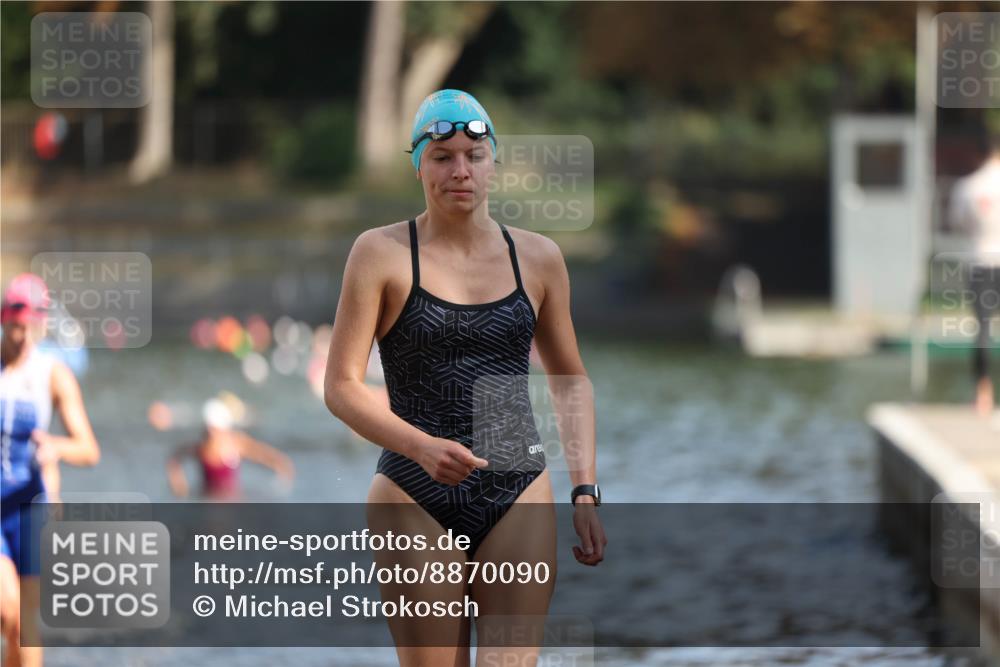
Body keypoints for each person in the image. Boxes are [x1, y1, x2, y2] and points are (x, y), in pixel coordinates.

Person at [324, 89, 606, 666]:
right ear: (418, 165)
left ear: (493, 163)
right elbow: (342, 386)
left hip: (517, 482)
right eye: (442, 156)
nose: (460, 170)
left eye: (473, 156)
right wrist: (421, 447)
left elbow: (569, 378)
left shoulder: (539, 257)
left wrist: (585, 490)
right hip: (412, 488)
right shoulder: (380, 253)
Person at [0, 273, 101, 667]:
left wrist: (56, 446)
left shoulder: (54, 374)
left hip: (31, 510)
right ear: (4, 321)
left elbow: (89, 449)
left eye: (30, 328)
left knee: (25, 626)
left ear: (42, 325)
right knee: (6, 609)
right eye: (14, 328)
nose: (22, 337)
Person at [949, 127, 1000, 418]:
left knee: (982, 330)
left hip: (981, 261)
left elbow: (958, 224)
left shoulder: (967, 187)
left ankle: (983, 393)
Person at [167, 397, 295, 500]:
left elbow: (262, 455)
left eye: (214, 428)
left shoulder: (236, 444)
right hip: (206, 499)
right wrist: (180, 487)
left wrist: (282, 466)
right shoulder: (201, 448)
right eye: (209, 428)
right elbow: (175, 458)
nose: (211, 432)